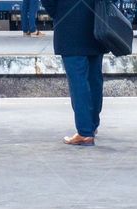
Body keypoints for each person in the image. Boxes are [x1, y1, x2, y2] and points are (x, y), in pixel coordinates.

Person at [42, 0, 104, 146]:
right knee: (94, 78)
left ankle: (84, 132)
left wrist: (58, 12)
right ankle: (92, 125)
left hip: (69, 26)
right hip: (97, 24)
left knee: (78, 81)